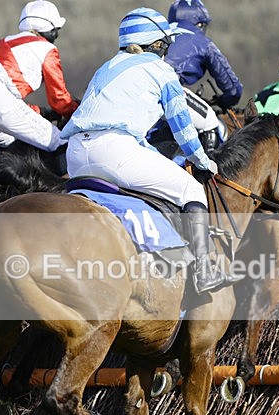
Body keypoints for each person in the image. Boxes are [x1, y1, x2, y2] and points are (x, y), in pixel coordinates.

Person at [61, 7, 240, 294]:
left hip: (75, 155)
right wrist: (202, 160)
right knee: (192, 190)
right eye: (166, 45)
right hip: (114, 152)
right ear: (157, 45)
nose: (168, 51)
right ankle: (204, 271)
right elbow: (183, 128)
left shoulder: (106, 67)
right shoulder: (161, 70)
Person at [0, 0, 78, 171]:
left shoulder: (1, 43)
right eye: (56, 30)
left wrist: (41, 112)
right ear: (49, 29)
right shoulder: (46, 49)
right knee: (61, 143)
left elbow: (2, 98)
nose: (57, 35)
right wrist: (77, 114)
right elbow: (59, 99)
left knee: (13, 142)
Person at [165, 0, 242, 151]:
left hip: (138, 89)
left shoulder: (158, 35)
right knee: (213, 124)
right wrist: (224, 101)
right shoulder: (203, 42)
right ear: (199, 24)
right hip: (167, 89)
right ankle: (205, 166)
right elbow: (233, 89)